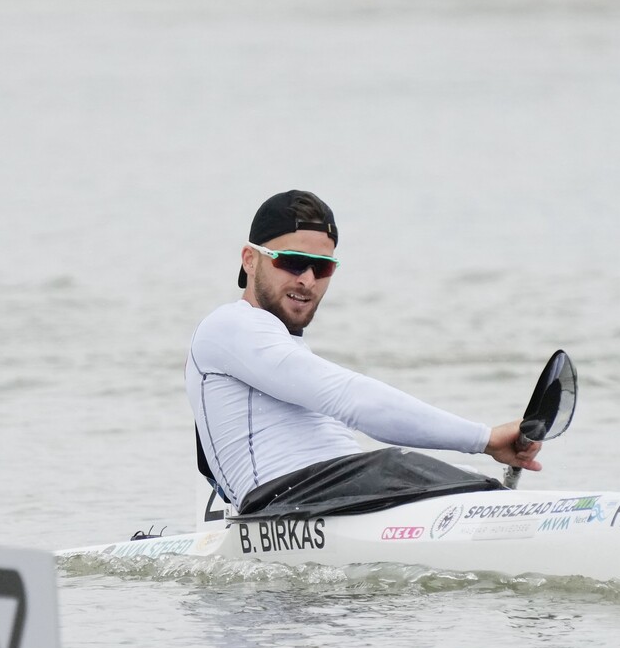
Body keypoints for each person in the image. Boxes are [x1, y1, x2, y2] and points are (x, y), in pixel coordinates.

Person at [185, 189, 541, 517]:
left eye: (322, 267)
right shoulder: (229, 326)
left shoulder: (275, 346)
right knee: (397, 464)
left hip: (334, 500)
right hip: (289, 503)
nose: (307, 280)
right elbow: (355, 401)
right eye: (292, 262)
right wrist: (483, 438)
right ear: (250, 259)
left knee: (458, 481)